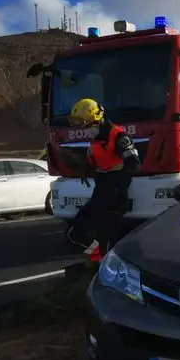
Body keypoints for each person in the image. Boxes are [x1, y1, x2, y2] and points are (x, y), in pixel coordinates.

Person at [68, 98, 140, 262]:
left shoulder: (119, 137)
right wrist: (84, 167)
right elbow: (95, 162)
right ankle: (98, 255)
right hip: (100, 195)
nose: (85, 131)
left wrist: (117, 174)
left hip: (115, 198)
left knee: (110, 242)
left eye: (87, 127)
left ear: (98, 120)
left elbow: (134, 164)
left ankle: (104, 266)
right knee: (76, 232)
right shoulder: (95, 141)